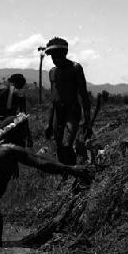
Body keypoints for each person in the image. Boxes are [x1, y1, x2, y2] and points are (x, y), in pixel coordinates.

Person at [0, 113, 94, 247]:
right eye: (23, 130)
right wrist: (72, 169)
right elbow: (41, 162)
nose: (26, 134)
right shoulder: (11, 149)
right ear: (15, 132)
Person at [44, 37, 92, 165]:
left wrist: (87, 122)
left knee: (67, 145)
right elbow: (53, 99)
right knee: (59, 145)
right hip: (57, 112)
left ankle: (73, 172)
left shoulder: (75, 68)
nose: (54, 60)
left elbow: (84, 96)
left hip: (72, 110)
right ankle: (64, 175)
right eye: (52, 57)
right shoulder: (52, 72)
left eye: (57, 56)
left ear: (65, 54)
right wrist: (49, 123)